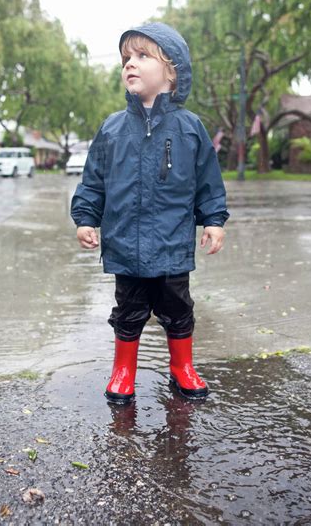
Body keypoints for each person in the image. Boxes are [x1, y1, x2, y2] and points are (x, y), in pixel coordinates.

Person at [70, 22, 230, 404]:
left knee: (177, 307)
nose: (131, 64)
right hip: (126, 243)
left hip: (172, 242)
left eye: (142, 56)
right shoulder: (112, 129)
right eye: (126, 58)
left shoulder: (189, 128)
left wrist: (213, 219)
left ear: (171, 71)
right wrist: (86, 218)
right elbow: (94, 180)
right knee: (128, 309)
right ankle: (123, 370)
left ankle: (182, 367)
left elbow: (208, 178)